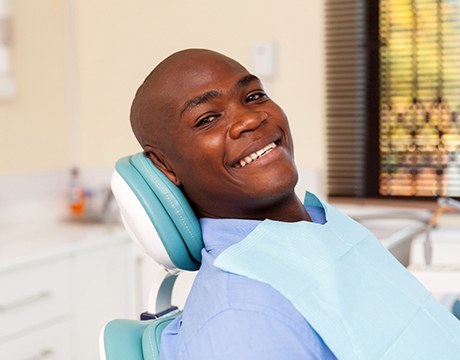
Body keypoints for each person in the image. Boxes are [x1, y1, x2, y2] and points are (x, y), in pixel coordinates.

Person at [130, 48, 336, 359]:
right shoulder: (243, 321)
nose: (251, 119)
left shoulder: (321, 228)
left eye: (253, 96)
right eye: (208, 119)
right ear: (164, 165)